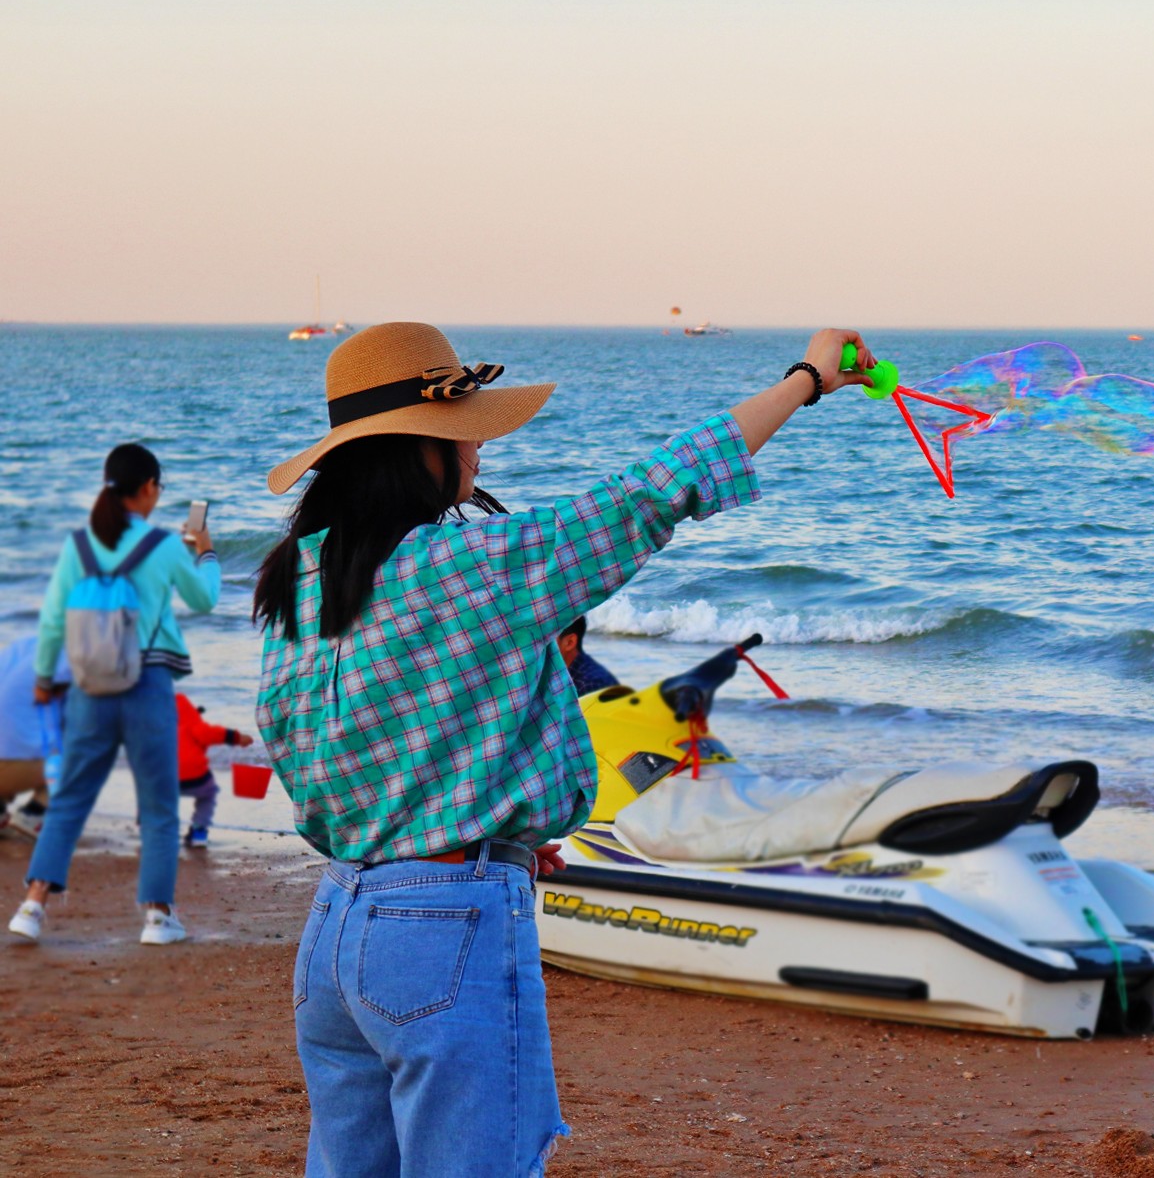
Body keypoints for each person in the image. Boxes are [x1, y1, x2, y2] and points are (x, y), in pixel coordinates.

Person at [253, 320, 872, 1175]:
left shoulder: (301, 572)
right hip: (444, 924)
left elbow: (301, 745)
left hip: (336, 929)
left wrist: (469, 832)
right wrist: (805, 378)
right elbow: (649, 495)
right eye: (465, 432)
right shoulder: (467, 562)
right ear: (417, 450)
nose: (478, 452)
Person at [8, 443, 219, 946]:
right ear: (147, 488)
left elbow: (54, 620)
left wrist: (42, 680)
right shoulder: (165, 545)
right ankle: (158, 917)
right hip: (146, 686)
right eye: (158, 487)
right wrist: (205, 550)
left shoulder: (78, 546)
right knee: (160, 803)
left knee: (70, 799)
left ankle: (32, 907)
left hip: (90, 687)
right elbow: (206, 599)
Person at [0, 637, 67, 838]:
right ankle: (37, 812)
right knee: (94, 743)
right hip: (9, 765)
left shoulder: (23, 645)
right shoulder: (78, 657)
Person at [174, 694, 251, 849]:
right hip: (194, 774)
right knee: (208, 793)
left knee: (151, 797)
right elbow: (206, 733)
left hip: (161, 776)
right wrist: (236, 737)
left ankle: (150, 828)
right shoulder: (183, 708)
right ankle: (199, 831)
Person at [557, 615, 619, 693]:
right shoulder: (559, 674)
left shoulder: (590, 685)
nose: (537, 645)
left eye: (544, 639)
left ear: (570, 642)